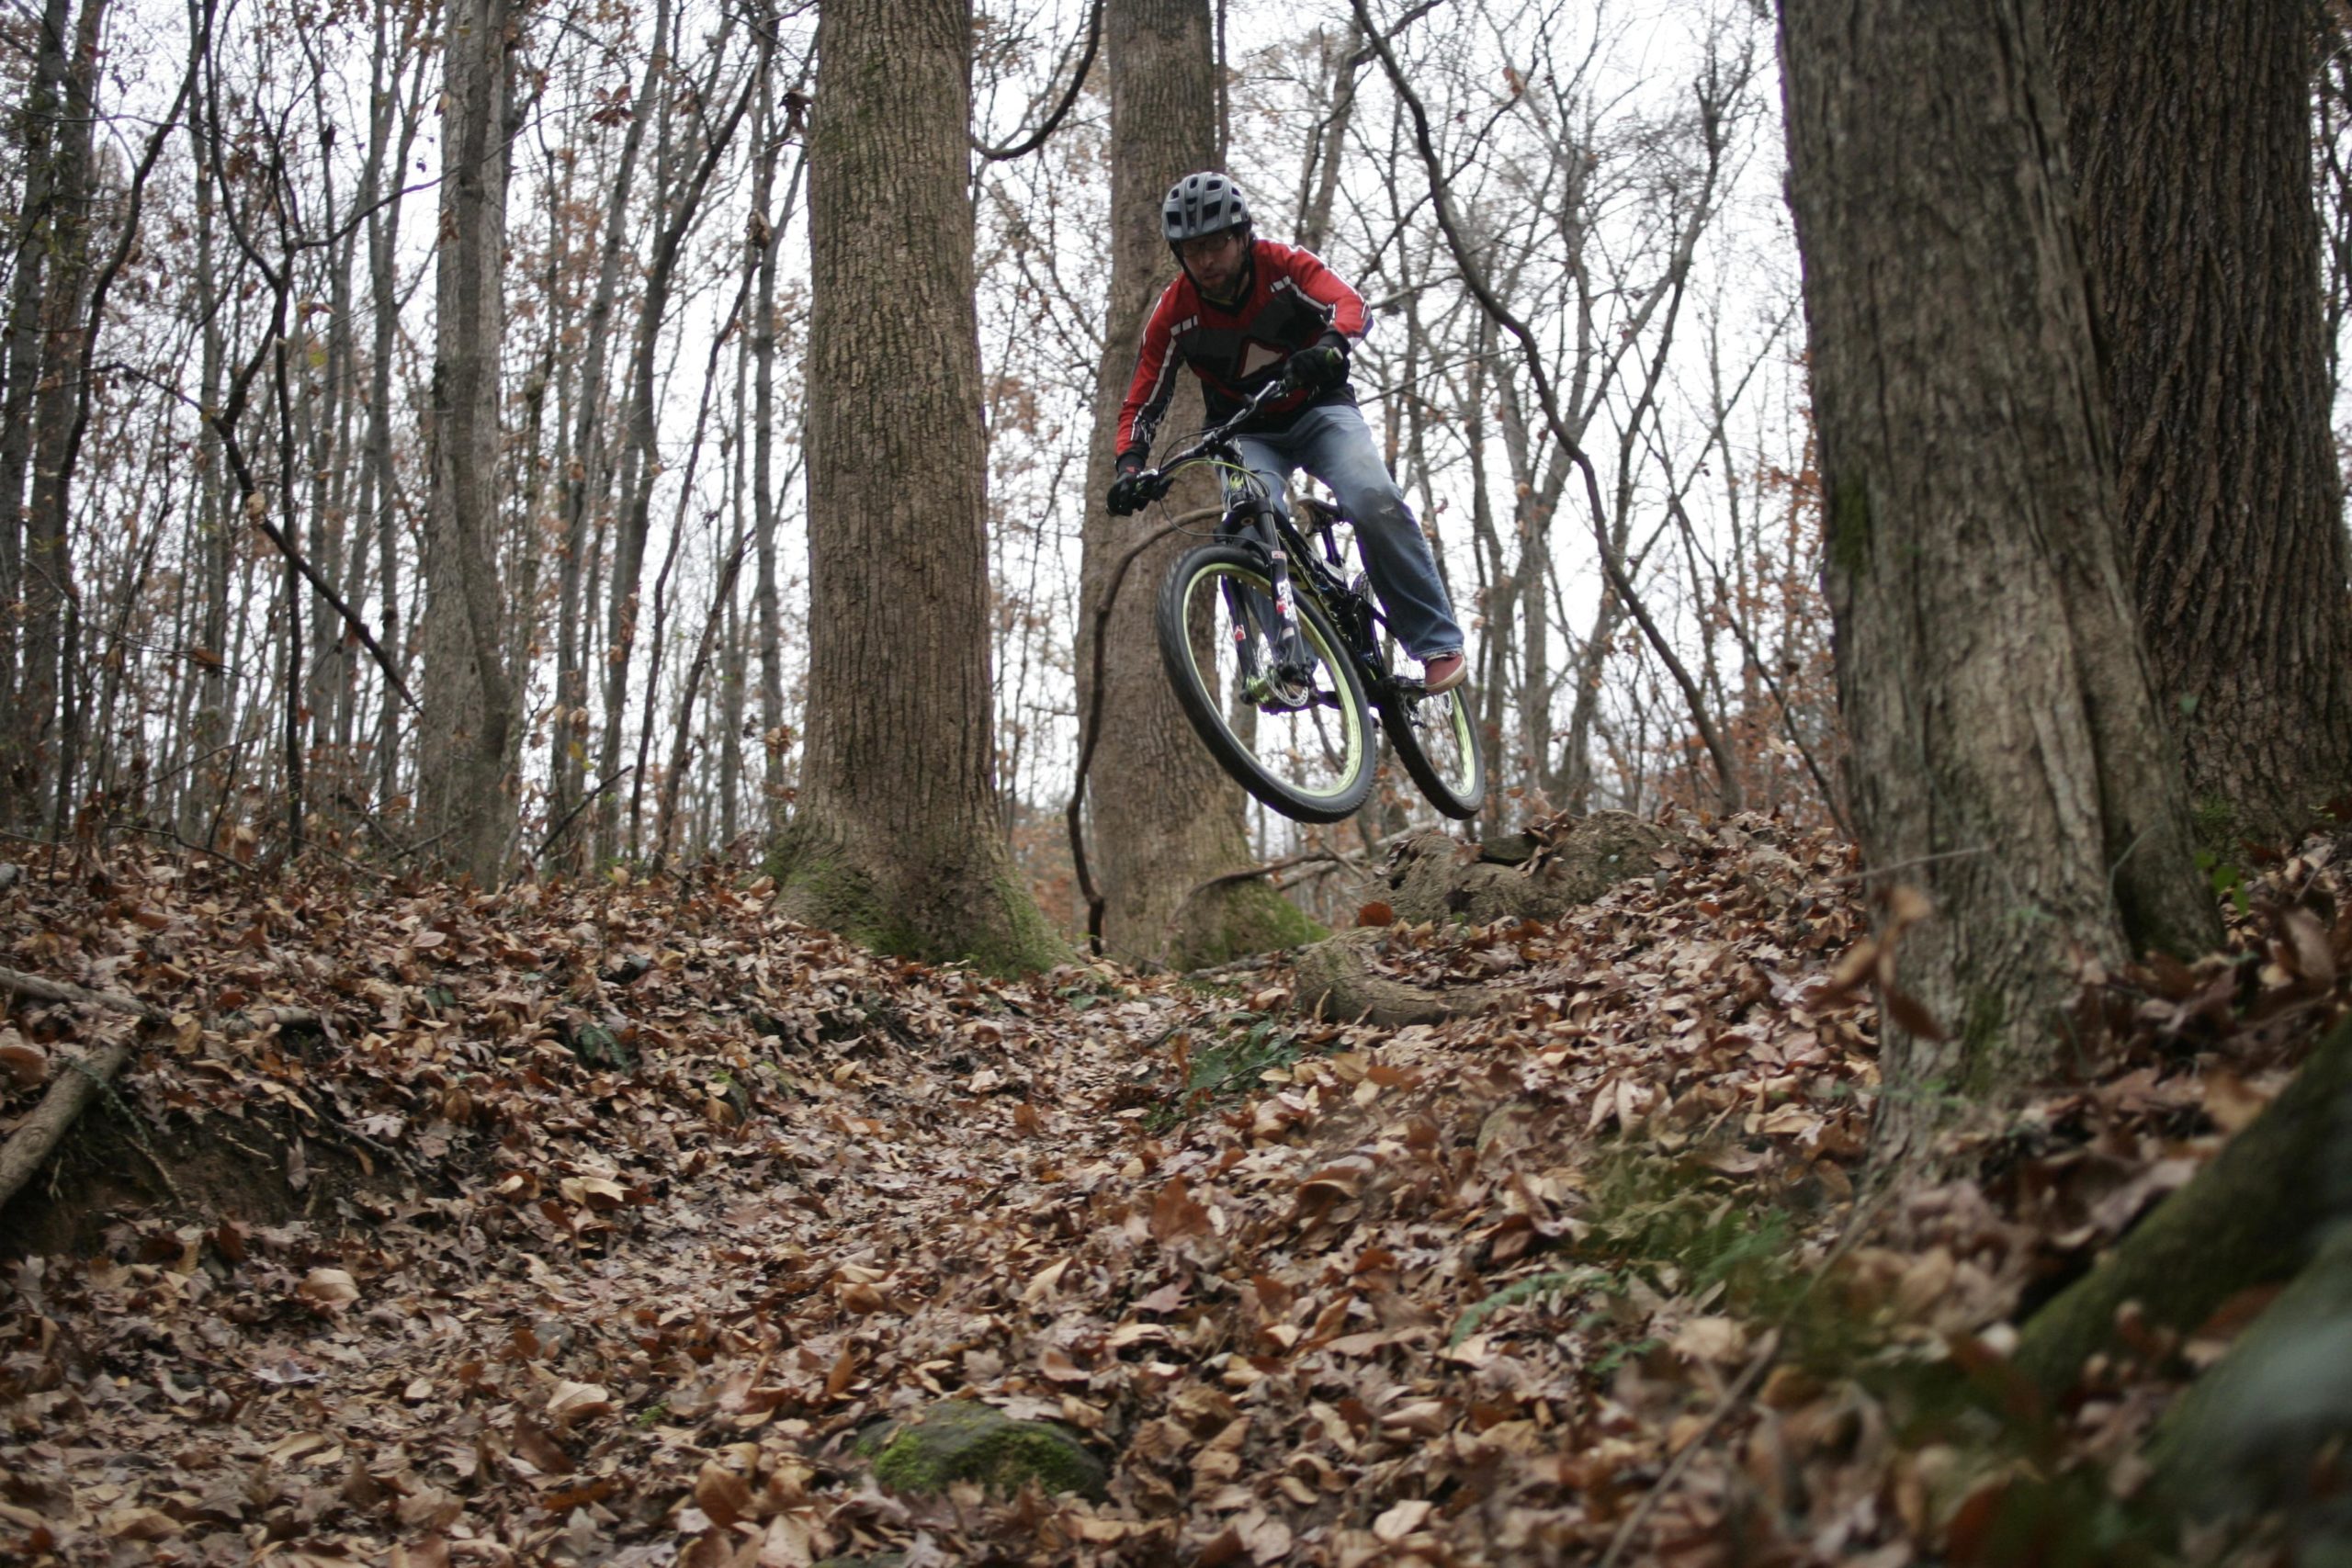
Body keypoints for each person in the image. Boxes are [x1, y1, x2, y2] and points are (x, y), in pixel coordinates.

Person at [1105, 171, 1468, 694]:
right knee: (1248, 520)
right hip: (1243, 430)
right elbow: (1141, 398)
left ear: (1242, 235)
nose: (1206, 261)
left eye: (1215, 244)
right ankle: (1288, 659)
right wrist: (1130, 466)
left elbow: (1350, 304)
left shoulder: (1282, 266)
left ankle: (1436, 642)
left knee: (1371, 496)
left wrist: (1330, 344)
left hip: (1320, 411)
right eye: (1192, 250)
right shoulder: (1176, 313)